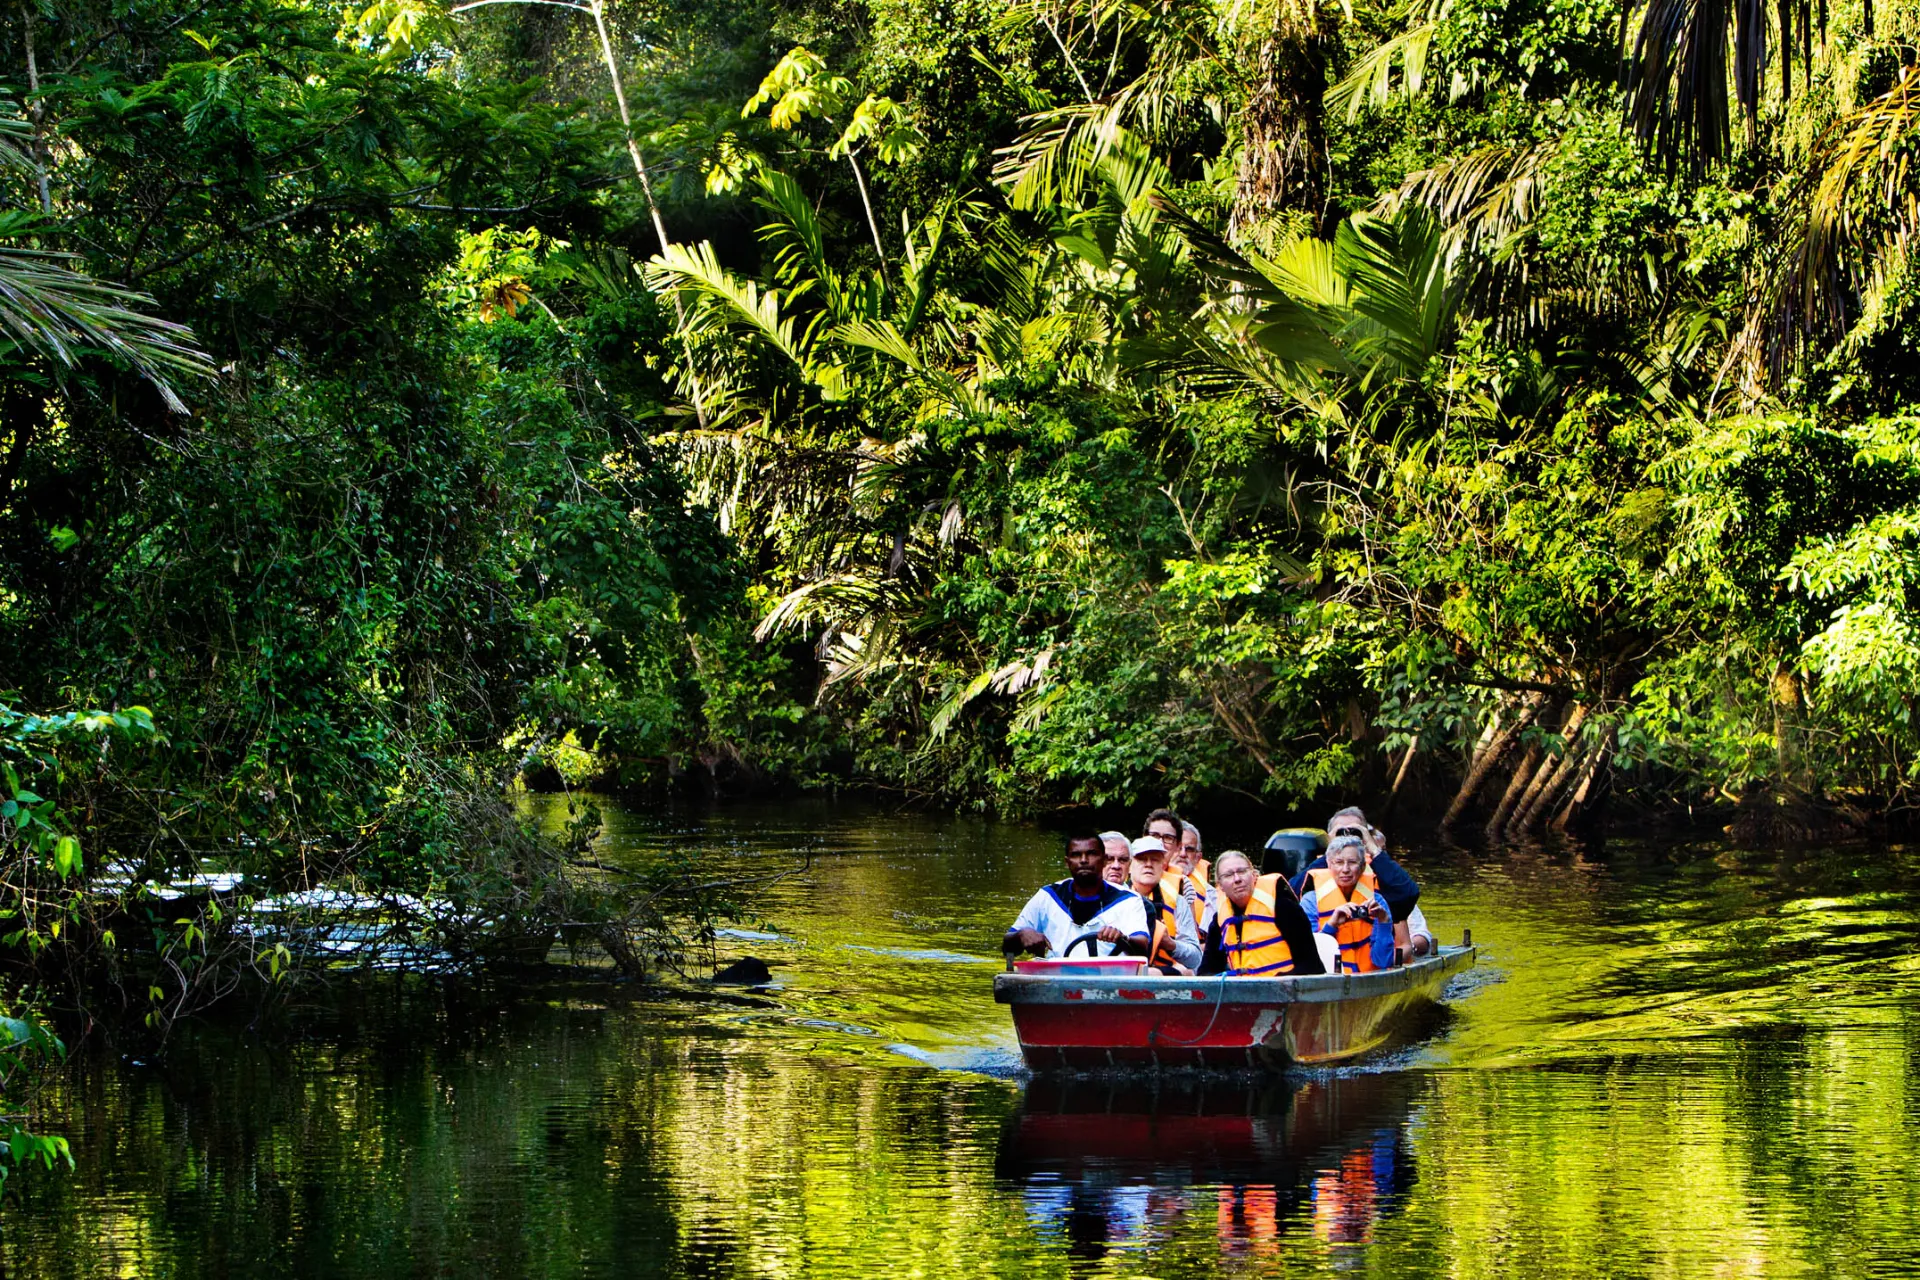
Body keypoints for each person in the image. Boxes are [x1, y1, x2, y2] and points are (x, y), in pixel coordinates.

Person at [1289, 806, 1421, 950]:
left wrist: (1372, 848)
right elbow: (1291, 896)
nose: (1347, 839)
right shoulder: (1318, 871)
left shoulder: (1380, 873)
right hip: (1327, 961)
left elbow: (1408, 896)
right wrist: (1331, 850)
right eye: (1340, 833)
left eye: (1355, 833)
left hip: (1370, 962)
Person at [1004, 835, 1152, 958]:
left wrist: (1122, 938)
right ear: (1067, 863)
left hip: (1111, 983)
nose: (1083, 860)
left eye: (1091, 854)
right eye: (1076, 855)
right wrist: (1022, 935)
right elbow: (1007, 946)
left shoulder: (1129, 900)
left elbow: (1142, 947)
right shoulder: (1047, 896)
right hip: (1057, 981)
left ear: (1104, 860)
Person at [1196, 850, 1324, 976]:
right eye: (1228, 875)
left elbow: (1312, 965)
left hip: (1284, 992)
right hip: (1242, 993)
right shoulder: (1219, 920)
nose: (1237, 879)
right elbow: (1206, 971)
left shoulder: (1284, 908)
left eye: (1242, 871)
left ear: (1254, 875)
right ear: (1220, 885)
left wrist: (1278, 982)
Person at [1299, 836, 1395, 973]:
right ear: (1329, 864)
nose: (1345, 869)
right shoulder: (1310, 902)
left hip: (1367, 978)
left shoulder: (1377, 902)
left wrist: (1384, 922)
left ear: (1362, 867)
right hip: (1328, 978)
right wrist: (1331, 926)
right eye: (1338, 862)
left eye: (1352, 862)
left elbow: (1383, 961)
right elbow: (1309, 958)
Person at [1128, 835, 1203, 972]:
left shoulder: (1178, 902)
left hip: (1164, 977)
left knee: (1184, 971)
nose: (1149, 864)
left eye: (1155, 860)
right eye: (1141, 859)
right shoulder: (1117, 899)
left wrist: (1170, 944)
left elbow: (1195, 959)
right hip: (1124, 972)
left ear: (1162, 866)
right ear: (1129, 865)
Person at [1144, 808, 1210, 934]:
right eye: (1155, 836)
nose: (1160, 842)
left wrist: (1169, 943)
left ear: (1176, 845)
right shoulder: (1122, 873)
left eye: (1168, 838)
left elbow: (1192, 947)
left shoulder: (1183, 886)